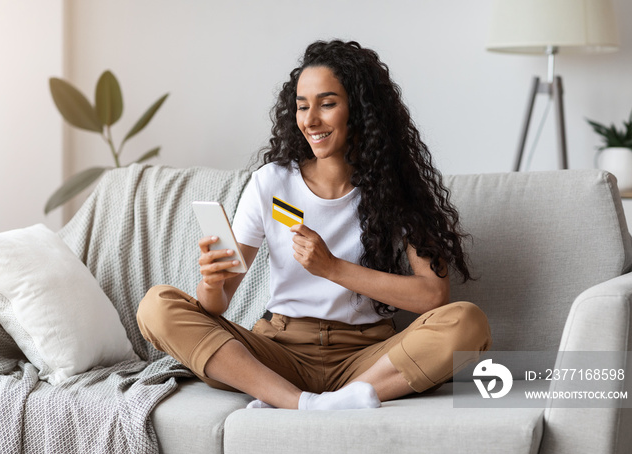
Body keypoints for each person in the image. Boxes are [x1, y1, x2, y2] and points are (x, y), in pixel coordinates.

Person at [137, 39, 491, 410]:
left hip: (365, 356)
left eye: (327, 104)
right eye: (302, 106)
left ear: (361, 109)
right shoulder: (272, 183)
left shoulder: (395, 189)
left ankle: (340, 398)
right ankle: (299, 402)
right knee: (156, 306)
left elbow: (433, 296)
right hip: (279, 353)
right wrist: (211, 283)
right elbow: (218, 304)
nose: (310, 120)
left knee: (468, 323)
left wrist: (332, 268)